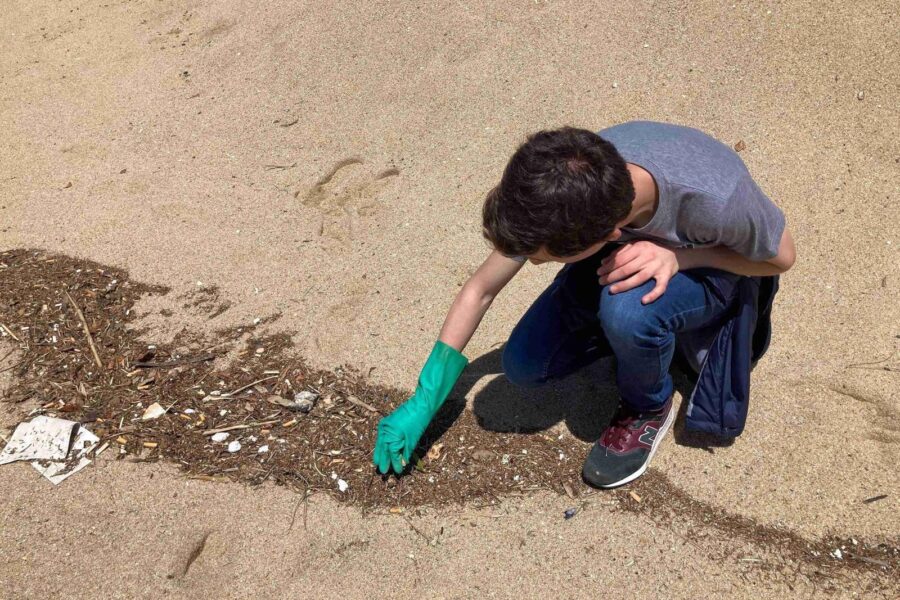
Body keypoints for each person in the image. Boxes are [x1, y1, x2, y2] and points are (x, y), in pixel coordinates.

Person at [372, 122, 796, 488]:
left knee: (628, 311)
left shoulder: (715, 197)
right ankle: (634, 342)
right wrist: (425, 400)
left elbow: (781, 258)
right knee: (526, 365)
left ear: (607, 236)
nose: (531, 262)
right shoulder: (563, 187)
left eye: (542, 258)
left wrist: (678, 257)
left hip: (713, 268)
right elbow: (480, 289)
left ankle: (649, 405)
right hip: (622, 257)